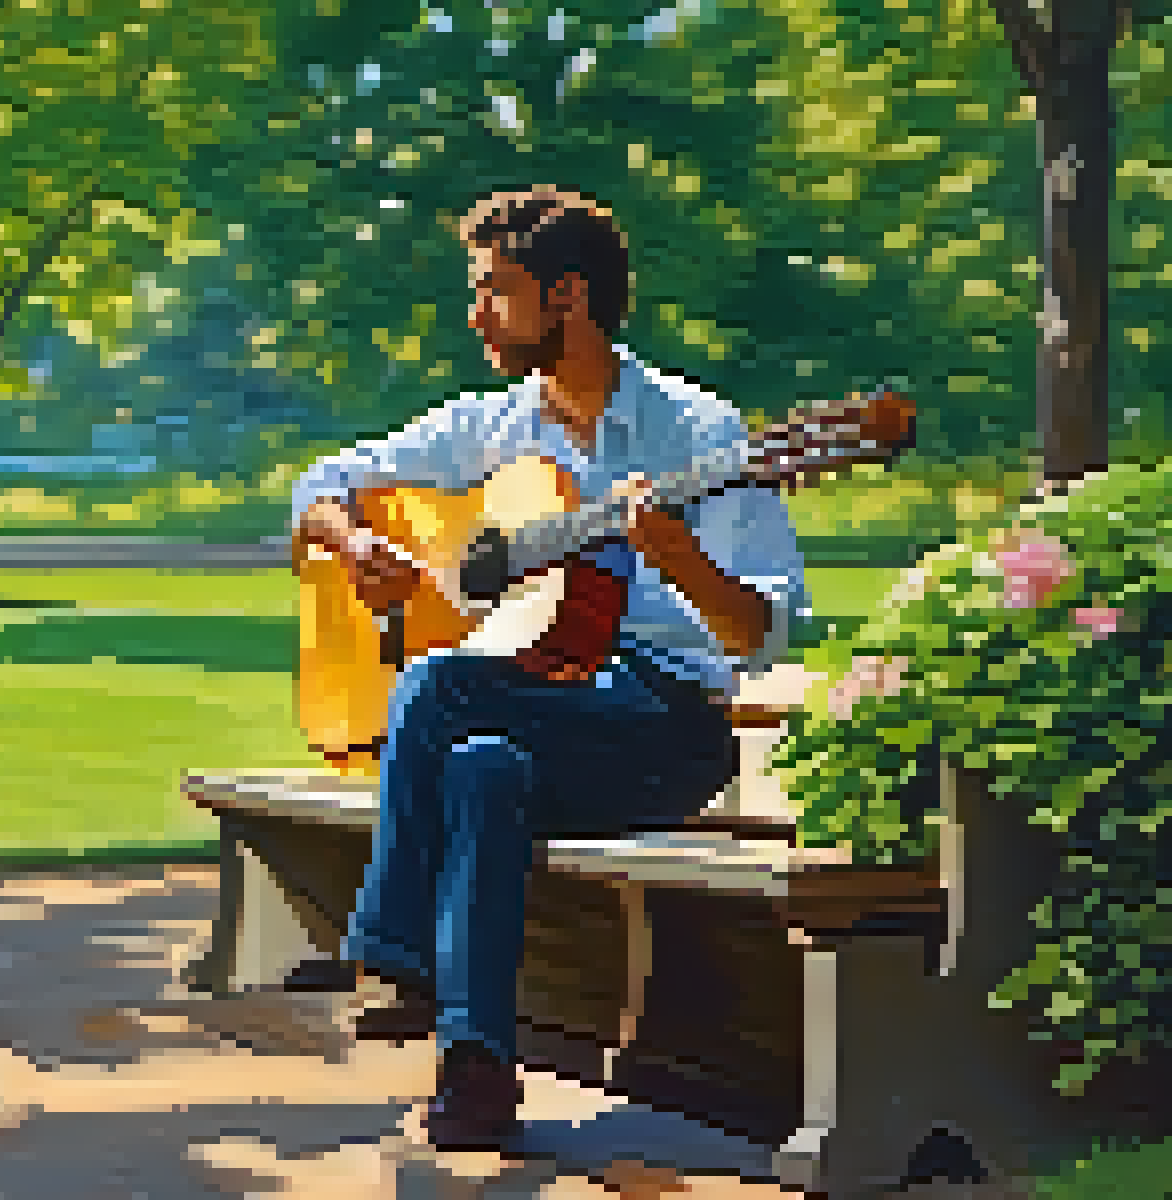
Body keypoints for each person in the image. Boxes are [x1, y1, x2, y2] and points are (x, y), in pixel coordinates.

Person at [287, 186, 809, 1149]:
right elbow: (318, 486)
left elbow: (759, 636)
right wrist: (356, 548)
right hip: (541, 711)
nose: (476, 314)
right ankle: (476, 1069)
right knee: (483, 764)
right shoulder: (492, 428)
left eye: (495, 292)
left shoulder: (701, 435)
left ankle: (390, 949)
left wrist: (675, 554)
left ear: (568, 297)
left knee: (437, 684)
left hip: (667, 730)